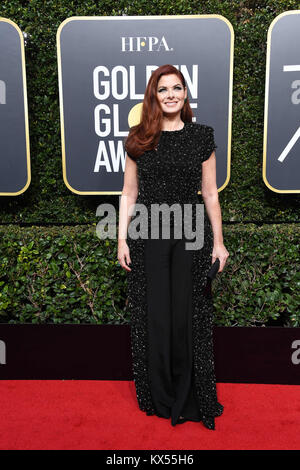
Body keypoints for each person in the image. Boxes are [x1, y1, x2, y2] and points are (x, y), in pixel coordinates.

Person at [118, 64, 229, 430]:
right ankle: (158, 393)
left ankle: (191, 391)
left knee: (188, 314)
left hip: (191, 233)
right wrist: (121, 238)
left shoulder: (201, 136)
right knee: (156, 315)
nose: (170, 94)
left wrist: (220, 242)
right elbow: (129, 193)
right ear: (154, 96)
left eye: (176, 88)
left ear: (185, 94)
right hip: (147, 232)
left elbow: (210, 193)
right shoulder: (138, 139)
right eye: (162, 89)